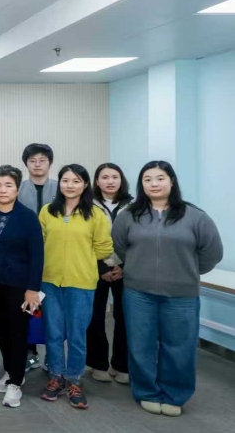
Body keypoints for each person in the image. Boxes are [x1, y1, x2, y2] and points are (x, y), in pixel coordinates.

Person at [113, 161, 223, 417]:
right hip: (138, 293)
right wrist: (137, 268)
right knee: (140, 345)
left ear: (171, 181)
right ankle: (147, 392)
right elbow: (120, 246)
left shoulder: (195, 216)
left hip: (181, 295)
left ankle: (175, 394)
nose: (154, 184)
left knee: (180, 347)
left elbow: (212, 253)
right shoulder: (129, 216)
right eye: (147, 179)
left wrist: (187, 272)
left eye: (160, 178)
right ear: (141, 184)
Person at [38, 164, 113, 409]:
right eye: (65, 180)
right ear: (59, 183)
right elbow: (40, 243)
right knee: (53, 332)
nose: (70, 185)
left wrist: (83, 260)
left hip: (81, 282)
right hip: (50, 281)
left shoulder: (95, 214)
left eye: (76, 181)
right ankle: (56, 376)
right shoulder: (47, 211)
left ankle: (74, 379)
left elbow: (104, 248)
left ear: (85, 185)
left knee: (78, 335)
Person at [0, 166, 44, 408]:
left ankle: (15, 382)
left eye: (8, 185)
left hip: (19, 285)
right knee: (1, 330)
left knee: (17, 331)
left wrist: (32, 288)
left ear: (17, 189)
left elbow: (37, 255)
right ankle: (10, 371)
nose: (2, 190)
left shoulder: (28, 217)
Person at [86, 163, 134, 384]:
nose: (110, 181)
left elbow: (138, 239)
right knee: (95, 317)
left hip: (126, 269)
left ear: (121, 179)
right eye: (104, 177)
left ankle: (122, 365)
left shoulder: (134, 205)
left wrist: (124, 266)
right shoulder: (87, 204)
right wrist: (102, 268)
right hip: (95, 268)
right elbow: (84, 239)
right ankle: (98, 364)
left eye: (115, 176)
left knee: (124, 317)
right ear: (97, 181)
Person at [17, 143, 56, 371]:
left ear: (50, 163)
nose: (37, 164)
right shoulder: (19, 188)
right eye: (32, 161)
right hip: (25, 259)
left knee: (53, 312)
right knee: (27, 309)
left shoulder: (61, 188)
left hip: (55, 259)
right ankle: (30, 354)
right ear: (26, 164)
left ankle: (53, 355)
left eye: (42, 160)